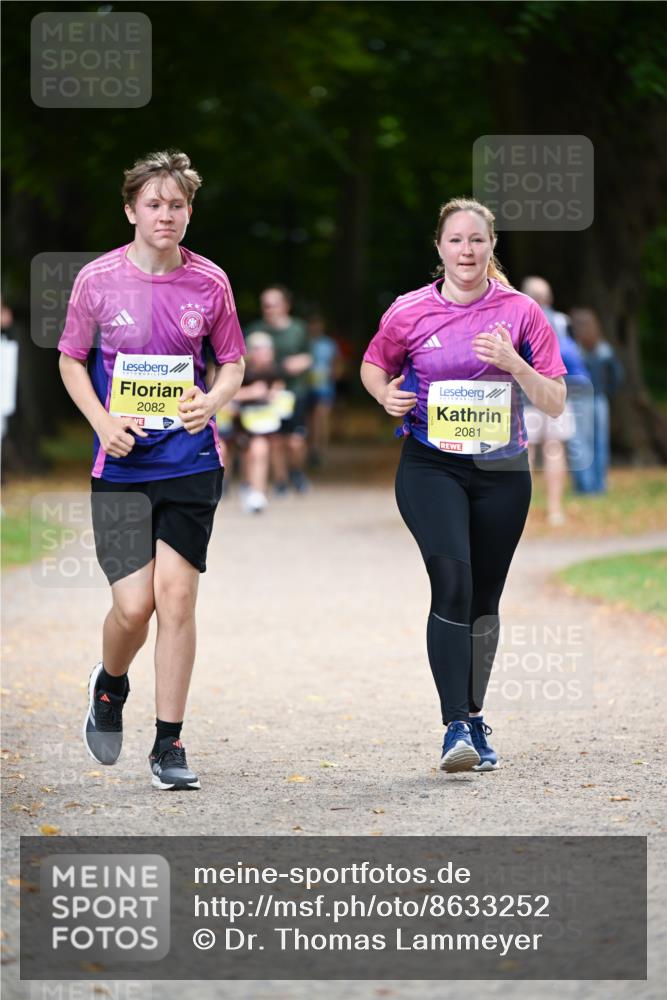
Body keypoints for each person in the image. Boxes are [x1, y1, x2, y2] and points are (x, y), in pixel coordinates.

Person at [58, 150, 245, 790]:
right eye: (154, 203)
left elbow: (233, 364)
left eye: (176, 205)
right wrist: (101, 422)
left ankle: (169, 743)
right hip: (122, 466)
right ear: (131, 209)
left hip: (191, 462)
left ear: (189, 213)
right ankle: (110, 685)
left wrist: (212, 400)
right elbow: (71, 360)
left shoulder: (210, 283)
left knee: (177, 596)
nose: (165, 214)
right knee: (133, 608)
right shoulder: (98, 281)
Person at [361, 197, 567, 773]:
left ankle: (475, 716)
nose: (467, 251)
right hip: (431, 465)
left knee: (484, 599)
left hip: (502, 472)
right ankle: (455, 725)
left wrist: (515, 363)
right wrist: (384, 394)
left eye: (477, 240)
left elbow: (554, 396)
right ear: (440, 248)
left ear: (491, 246)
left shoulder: (522, 312)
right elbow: (373, 365)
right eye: (456, 240)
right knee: (452, 579)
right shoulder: (409, 311)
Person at [520, 277, 590, 526]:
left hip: (531, 396)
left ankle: (525, 512)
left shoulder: (519, 318)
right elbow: (573, 357)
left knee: (527, 453)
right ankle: (554, 510)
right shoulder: (561, 321)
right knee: (552, 450)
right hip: (555, 395)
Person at [245, 285, 312, 494]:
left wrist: (298, 363)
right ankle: (281, 481)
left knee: (295, 441)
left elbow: (308, 356)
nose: (268, 308)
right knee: (274, 439)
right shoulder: (255, 329)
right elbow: (242, 358)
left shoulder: (298, 329)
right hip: (265, 393)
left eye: (273, 304)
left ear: (286, 305)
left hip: (294, 391)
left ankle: (297, 471)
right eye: (265, 304)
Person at [569, 307, 623, 494]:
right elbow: (617, 376)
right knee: (600, 442)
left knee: (580, 442)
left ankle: (585, 486)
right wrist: (607, 391)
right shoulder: (603, 349)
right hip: (600, 399)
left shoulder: (573, 349)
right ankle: (599, 485)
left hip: (578, 399)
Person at [232, 330, 287, 513]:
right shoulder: (241, 371)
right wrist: (251, 393)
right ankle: (249, 486)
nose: (264, 354)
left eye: (267, 350)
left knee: (260, 451)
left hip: (266, 423)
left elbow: (280, 390)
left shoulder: (274, 370)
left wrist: (276, 395)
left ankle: (258, 492)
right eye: (260, 350)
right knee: (249, 455)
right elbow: (226, 395)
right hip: (242, 422)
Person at [306, 313, 339, 465]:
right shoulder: (304, 343)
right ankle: (310, 449)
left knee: (322, 419)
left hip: (325, 387)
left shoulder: (330, 344)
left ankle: (321, 450)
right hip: (306, 387)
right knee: (309, 420)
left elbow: (338, 364)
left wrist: (334, 374)